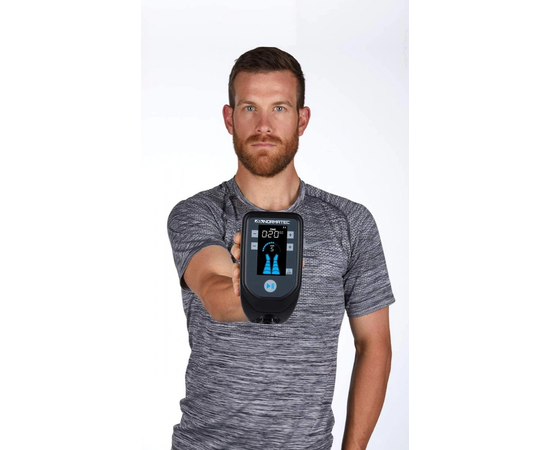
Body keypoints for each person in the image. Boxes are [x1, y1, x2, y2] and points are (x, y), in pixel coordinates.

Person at [167, 47, 396, 450]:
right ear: (229, 118)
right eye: (249, 108)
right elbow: (217, 296)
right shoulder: (197, 213)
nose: (264, 126)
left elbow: (373, 344)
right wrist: (254, 284)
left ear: (301, 119)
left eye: (279, 108)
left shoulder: (350, 222)